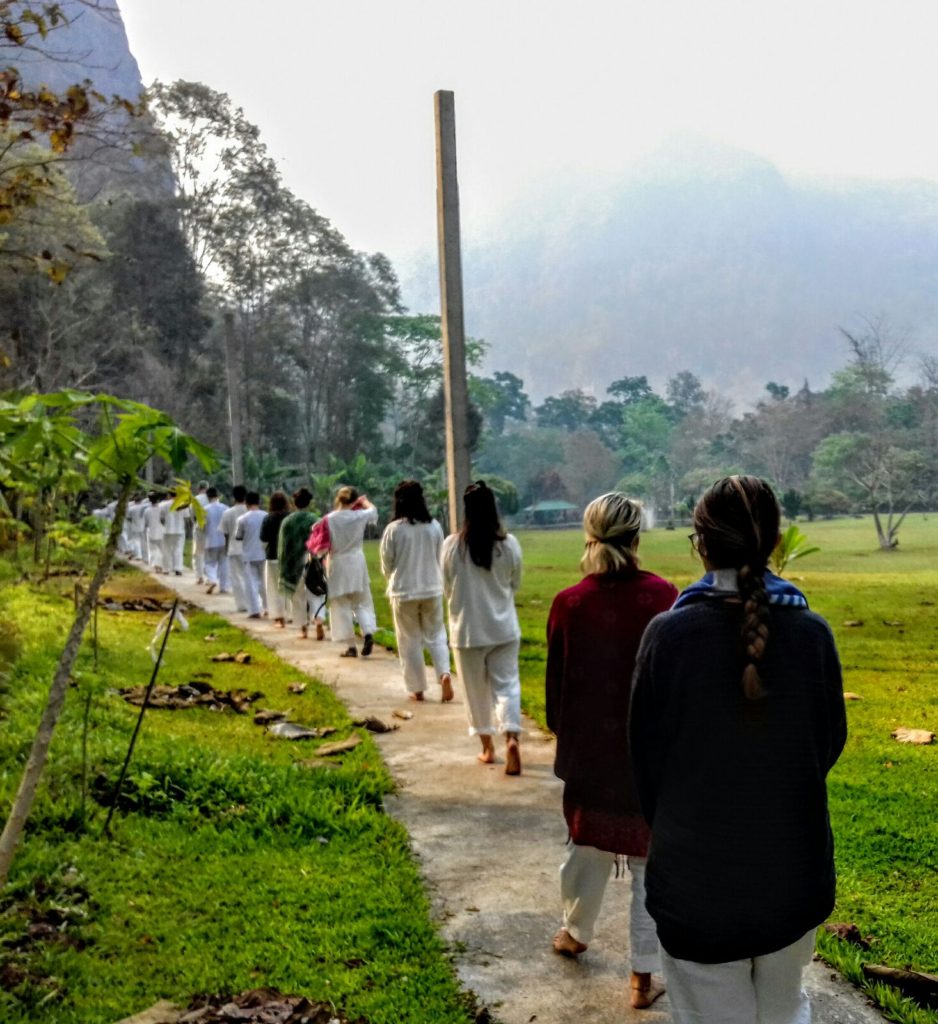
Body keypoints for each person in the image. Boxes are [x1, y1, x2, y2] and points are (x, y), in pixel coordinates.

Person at [630, 476, 847, 1024]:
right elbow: (826, 745)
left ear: (701, 544)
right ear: (775, 542)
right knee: (784, 1009)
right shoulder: (812, 634)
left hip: (696, 886)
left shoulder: (668, 637)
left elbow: (644, 762)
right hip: (793, 878)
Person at [546, 493, 676, 1009]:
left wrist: (568, 737)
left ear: (589, 536)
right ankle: (643, 979)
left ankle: (576, 933)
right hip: (650, 757)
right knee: (649, 866)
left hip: (591, 753)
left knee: (585, 849)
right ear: (637, 537)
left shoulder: (569, 603)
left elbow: (557, 689)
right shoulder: (665, 595)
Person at [441, 480, 523, 774]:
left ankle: (488, 748)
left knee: (475, 692)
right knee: (507, 685)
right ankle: (512, 736)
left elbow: (447, 588)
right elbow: (515, 584)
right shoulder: (509, 545)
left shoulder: (452, 546)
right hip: (504, 628)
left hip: (467, 631)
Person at [380, 479, 453, 702]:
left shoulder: (394, 529)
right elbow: (441, 556)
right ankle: (444, 674)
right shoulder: (434, 526)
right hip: (431, 588)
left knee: (409, 639)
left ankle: (417, 688)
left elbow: (387, 562)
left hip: (404, 591)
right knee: (437, 635)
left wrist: (391, 578)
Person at [315, 486, 378, 657]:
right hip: (357, 561)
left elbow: (320, 547)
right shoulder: (359, 515)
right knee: (361, 601)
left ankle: (351, 646)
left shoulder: (329, 519)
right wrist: (364, 502)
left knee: (341, 605)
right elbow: (373, 512)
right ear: (355, 500)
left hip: (337, 562)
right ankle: (368, 632)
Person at [277, 487, 325, 640]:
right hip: (312, 561)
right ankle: (319, 622)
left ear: (294, 503)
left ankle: (303, 628)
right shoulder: (315, 520)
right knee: (316, 594)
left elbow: (283, 547)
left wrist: (283, 566)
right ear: (309, 503)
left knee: (298, 598)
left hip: (293, 563)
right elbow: (321, 544)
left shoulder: (287, 521)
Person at [260, 490, 291, 627]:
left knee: (273, 588)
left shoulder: (268, 518)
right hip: (289, 556)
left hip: (272, 556)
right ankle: (291, 614)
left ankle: (279, 617)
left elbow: (263, 538)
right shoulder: (290, 517)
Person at [235, 491, 267, 619]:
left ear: (246, 503)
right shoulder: (266, 516)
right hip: (264, 553)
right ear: (258, 502)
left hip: (249, 554)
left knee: (251, 583)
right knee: (265, 583)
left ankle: (254, 610)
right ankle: (268, 608)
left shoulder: (242, 519)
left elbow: (238, 536)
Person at [221, 484, 248, 612]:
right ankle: (254, 603)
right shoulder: (249, 512)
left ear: (233, 497)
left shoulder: (228, 512)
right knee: (250, 577)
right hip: (249, 550)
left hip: (233, 548)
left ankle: (241, 604)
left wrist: (227, 548)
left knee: (236, 578)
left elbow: (225, 533)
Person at [203, 487, 229, 595]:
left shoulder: (205, 509)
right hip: (224, 540)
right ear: (217, 495)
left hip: (210, 539)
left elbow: (202, 525)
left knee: (209, 563)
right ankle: (224, 587)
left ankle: (213, 580)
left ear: (207, 497)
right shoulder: (225, 508)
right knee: (224, 563)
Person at [191, 480, 210, 583]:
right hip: (210, 528)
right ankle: (210, 576)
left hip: (199, 527)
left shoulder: (195, 499)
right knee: (209, 552)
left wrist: (195, 523)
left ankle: (199, 576)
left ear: (198, 489)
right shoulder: (211, 498)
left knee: (198, 552)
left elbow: (192, 515)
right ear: (207, 488)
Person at [143, 491, 165, 573]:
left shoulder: (147, 510)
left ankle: (156, 566)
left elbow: (145, 522)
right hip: (161, 530)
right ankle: (162, 566)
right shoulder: (161, 508)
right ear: (158, 499)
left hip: (151, 531)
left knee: (153, 550)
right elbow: (164, 519)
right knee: (162, 549)